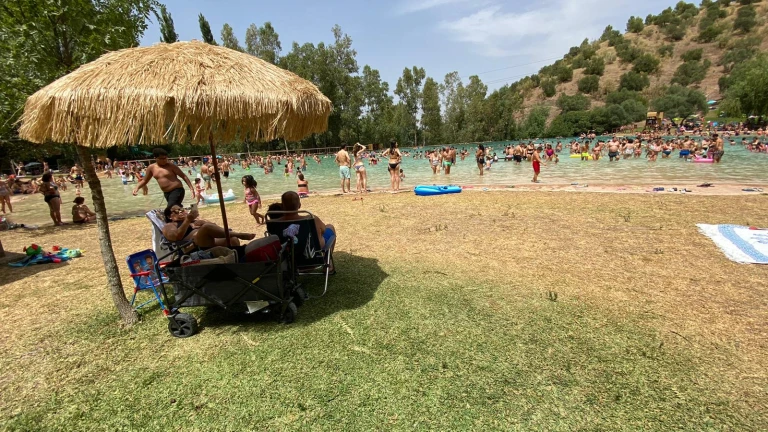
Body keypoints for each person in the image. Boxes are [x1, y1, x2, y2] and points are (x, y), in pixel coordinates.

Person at [163, 205, 254, 248]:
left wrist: (202, 221)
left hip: (212, 240)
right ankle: (239, 234)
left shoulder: (195, 220)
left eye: (182, 209)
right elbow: (175, 236)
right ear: (169, 216)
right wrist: (188, 221)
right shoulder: (169, 225)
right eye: (176, 211)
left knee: (232, 239)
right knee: (206, 227)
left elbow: (215, 227)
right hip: (193, 245)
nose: (181, 212)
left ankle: (235, 261)